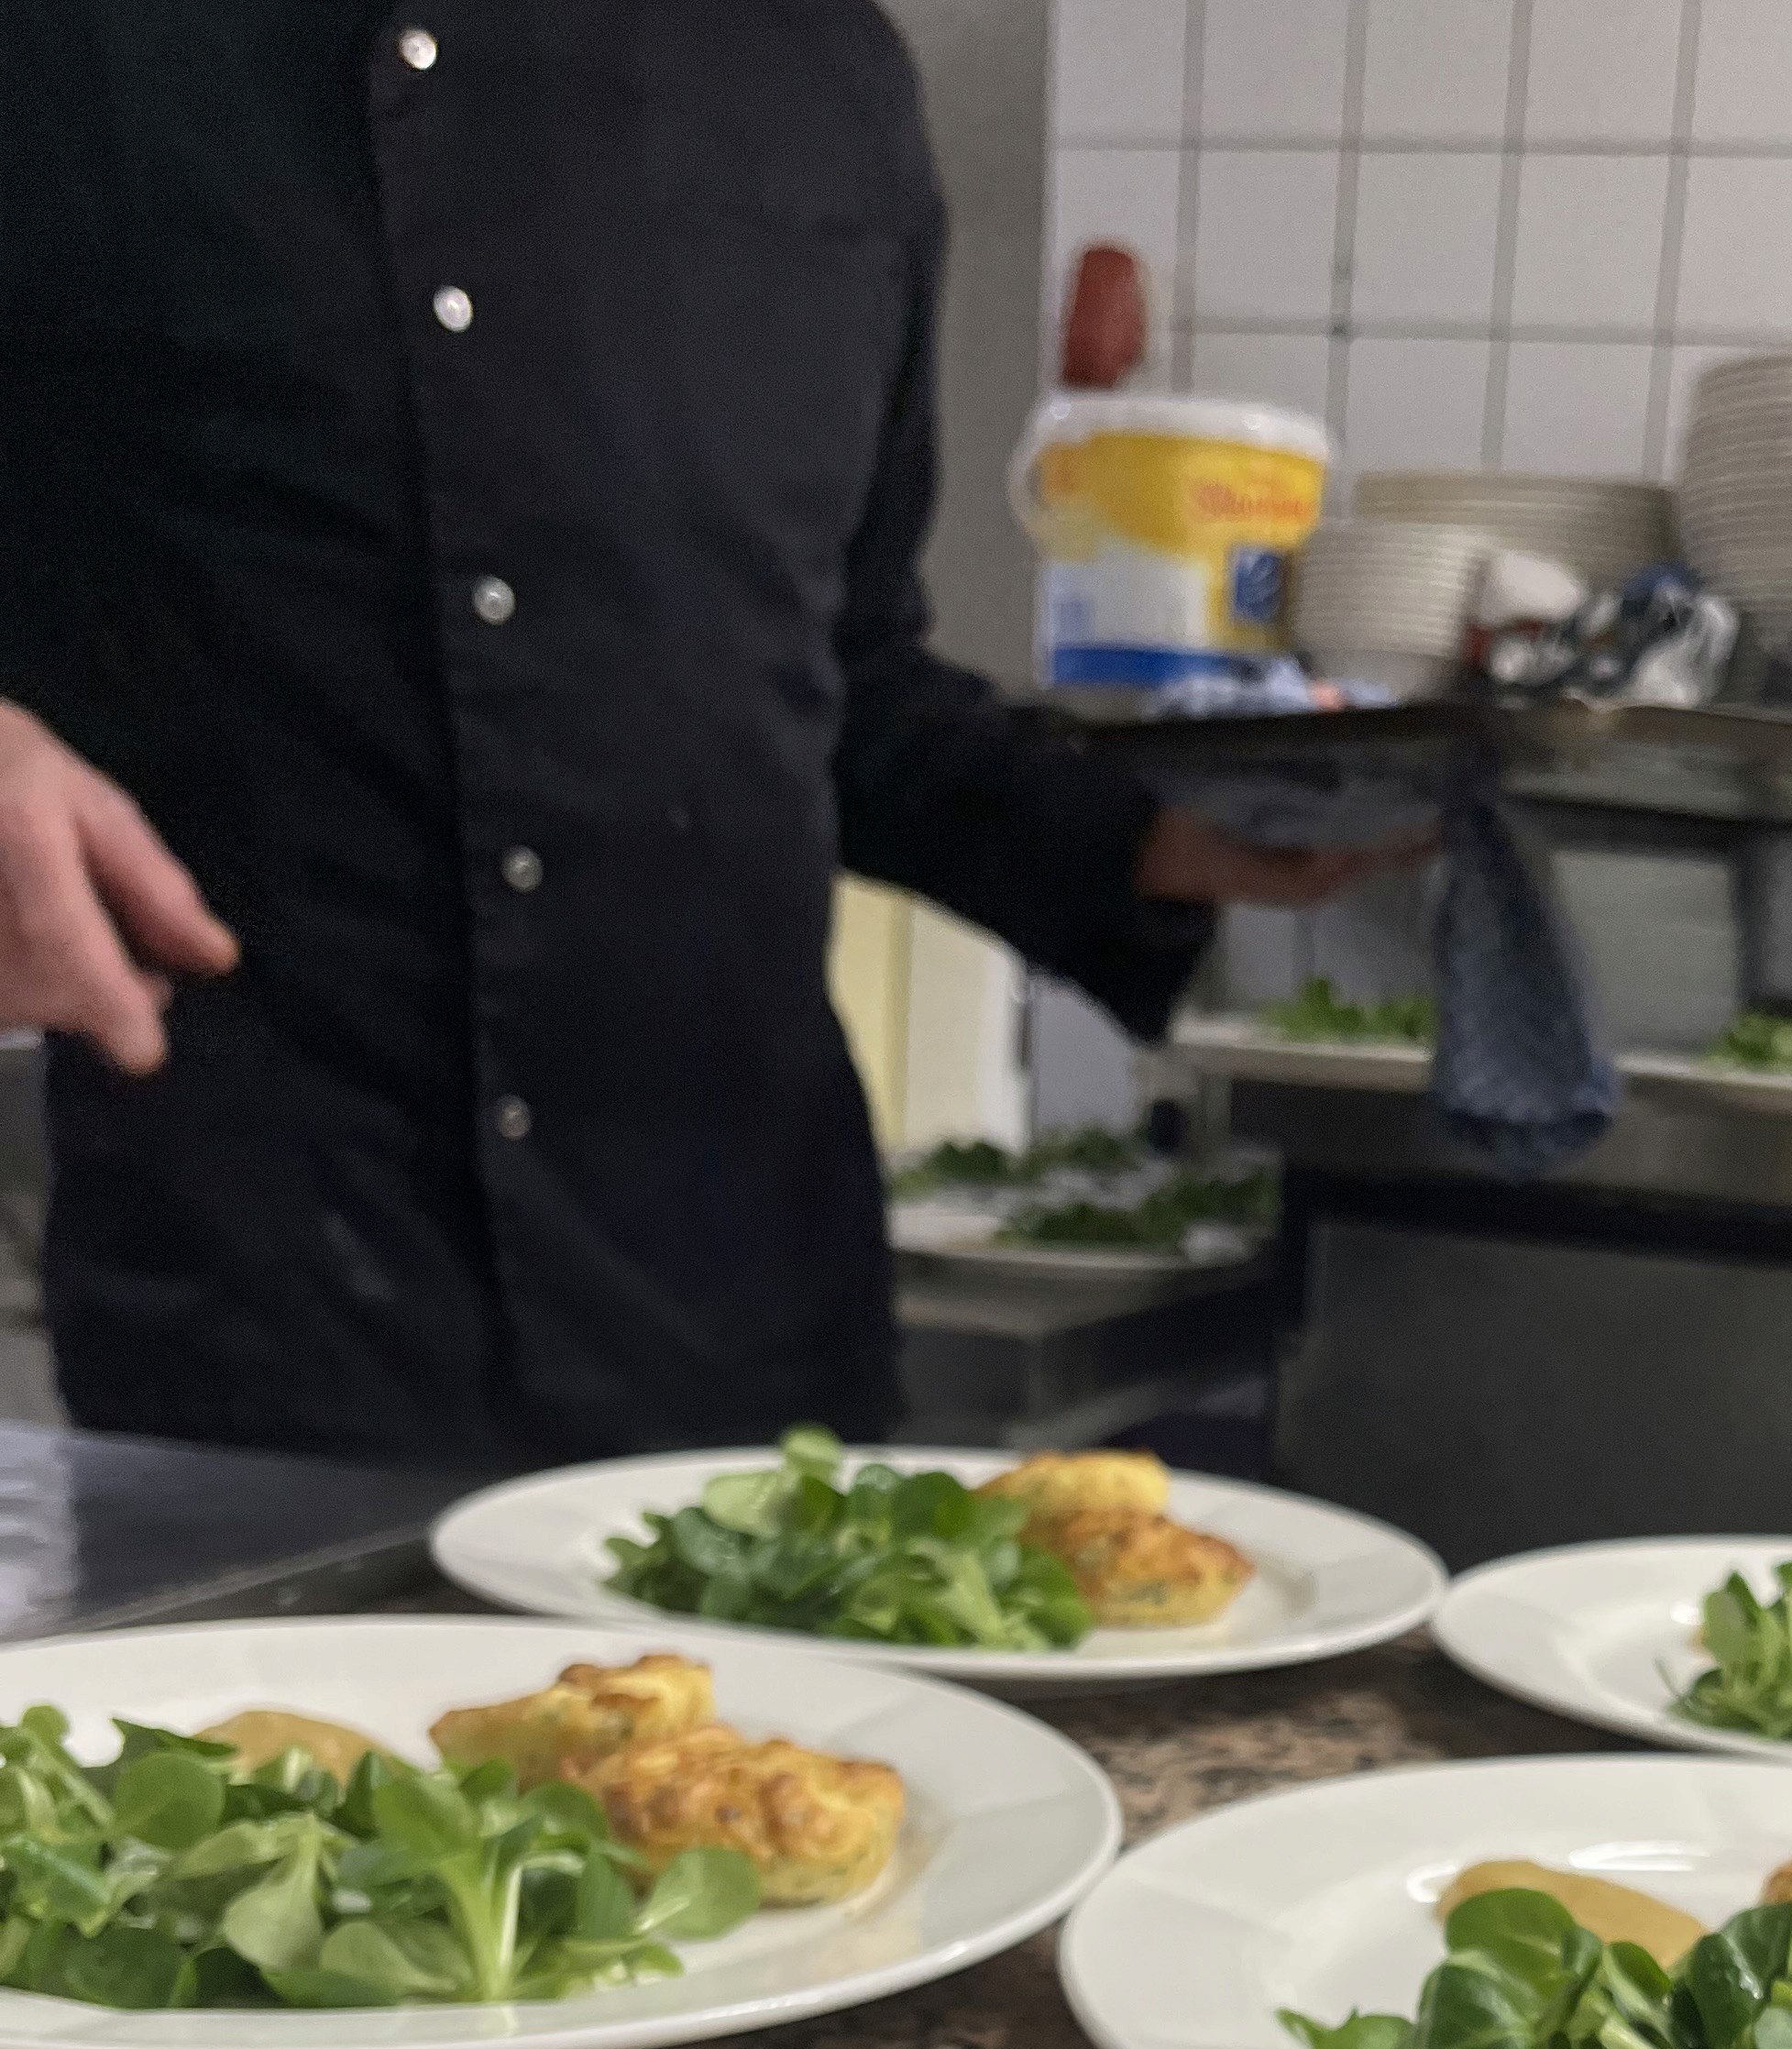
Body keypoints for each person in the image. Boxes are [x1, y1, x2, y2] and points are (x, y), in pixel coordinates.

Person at [0, 3, 1358, 1465]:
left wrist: (1156, 838)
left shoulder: (822, 69)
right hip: (271, 1298)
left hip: (740, 1316)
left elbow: (837, 676)